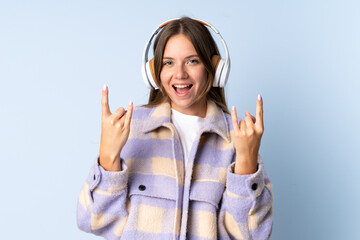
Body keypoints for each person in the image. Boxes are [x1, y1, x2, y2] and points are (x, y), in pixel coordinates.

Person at [77, 17, 273, 240]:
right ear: (153, 72)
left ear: (215, 68)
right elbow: (93, 220)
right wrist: (108, 158)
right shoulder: (130, 128)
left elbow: (251, 235)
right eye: (168, 62)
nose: (179, 74)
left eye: (192, 61)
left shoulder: (237, 137)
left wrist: (246, 164)